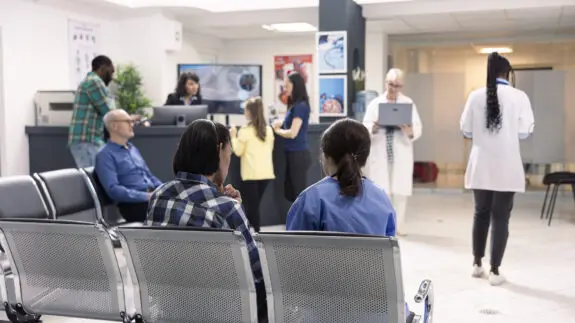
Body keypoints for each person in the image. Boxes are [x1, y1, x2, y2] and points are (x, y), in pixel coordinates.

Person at [286, 118, 414, 322]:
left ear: (326, 157)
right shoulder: (382, 200)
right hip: (379, 313)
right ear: (364, 158)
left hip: (321, 314)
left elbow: (290, 266)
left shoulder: (310, 200)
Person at [146, 119, 267, 322]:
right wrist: (236, 208)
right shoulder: (227, 208)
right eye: (229, 152)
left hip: (170, 309)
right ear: (219, 150)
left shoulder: (158, 196)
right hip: (222, 312)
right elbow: (257, 274)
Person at [460, 52, 534, 286]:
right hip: (507, 165)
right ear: (507, 73)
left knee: (480, 213)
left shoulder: (475, 96)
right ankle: (494, 271)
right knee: (501, 217)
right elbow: (524, 132)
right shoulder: (519, 96)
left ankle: (476, 264)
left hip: (480, 164)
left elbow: (466, 131)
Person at [363, 68, 422, 236]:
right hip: (380, 150)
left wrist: (408, 129)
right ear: (385, 83)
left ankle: (398, 227)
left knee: (400, 192)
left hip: (400, 150)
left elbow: (417, 128)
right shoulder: (375, 104)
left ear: (401, 86)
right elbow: (365, 125)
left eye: (397, 86)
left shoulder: (408, 103)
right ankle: (381, 227)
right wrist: (373, 126)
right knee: (381, 192)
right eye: (390, 84)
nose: (393, 88)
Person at [95, 110, 162, 222]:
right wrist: (146, 196)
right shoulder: (105, 155)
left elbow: (150, 176)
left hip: (150, 199)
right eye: (127, 121)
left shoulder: (133, 149)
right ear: (113, 126)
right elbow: (114, 190)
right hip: (134, 206)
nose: (132, 125)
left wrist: (165, 190)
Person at [230, 97, 275, 232]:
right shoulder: (269, 130)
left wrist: (233, 136)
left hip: (251, 174)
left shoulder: (244, 131)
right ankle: (254, 233)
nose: (244, 112)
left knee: (252, 207)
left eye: (245, 109)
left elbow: (238, 151)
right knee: (254, 207)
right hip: (266, 173)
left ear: (250, 112)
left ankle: (255, 234)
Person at [68, 55, 115, 168]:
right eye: (111, 71)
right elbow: (108, 111)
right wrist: (128, 118)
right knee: (93, 179)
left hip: (89, 140)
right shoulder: (94, 81)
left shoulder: (89, 81)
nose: (112, 76)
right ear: (102, 68)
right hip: (87, 140)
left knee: (98, 176)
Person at [272, 72, 311, 202]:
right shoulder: (295, 105)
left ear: (295, 85)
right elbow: (290, 123)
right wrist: (281, 123)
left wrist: (277, 131)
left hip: (298, 155)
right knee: (291, 192)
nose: (285, 87)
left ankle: (302, 221)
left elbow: (293, 132)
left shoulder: (300, 106)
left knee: (298, 193)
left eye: (287, 84)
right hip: (292, 154)